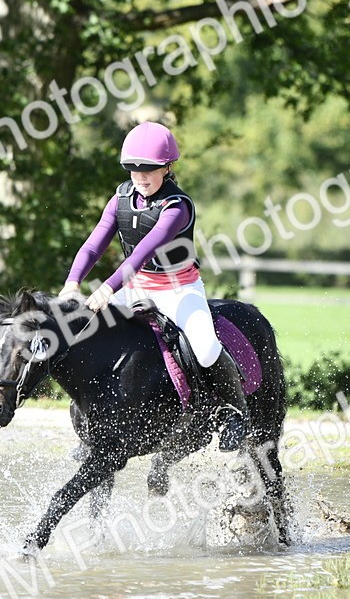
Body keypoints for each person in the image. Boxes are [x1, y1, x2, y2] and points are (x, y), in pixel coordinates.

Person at [58, 121, 249, 451]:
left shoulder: (177, 206)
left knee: (203, 347)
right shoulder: (120, 199)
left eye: (149, 170)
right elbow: (92, 246)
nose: (141, 177)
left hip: (178, 291)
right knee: (90, 337)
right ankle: (93, 420)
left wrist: (108, 287)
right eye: (134, 170)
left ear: (168, 167)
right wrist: (72, 283)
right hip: (136, 289)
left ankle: (234, 413)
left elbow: (145, 251)